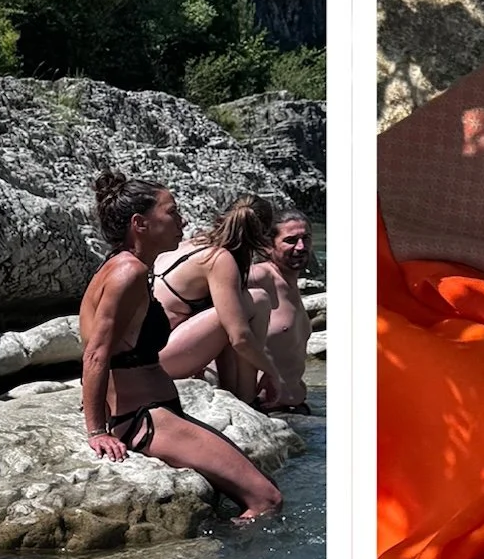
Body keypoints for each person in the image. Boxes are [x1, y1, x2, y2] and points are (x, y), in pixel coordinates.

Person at [82, 171, 283, 521]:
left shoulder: (128, 266)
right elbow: (96, 353)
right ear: (140, 223)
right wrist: (97, 431)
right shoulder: (125, 274)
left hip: (153, 411)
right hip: (142, 419)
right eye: (172, 212)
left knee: (256, 489)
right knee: (267, 500)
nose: (182, 220)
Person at [149, 193, 288, 409]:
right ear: (263, 235)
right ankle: (246, 400)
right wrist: (272, 372)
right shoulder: (218, 260)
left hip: (144, 355)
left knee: (234, 308)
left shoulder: (192, 244)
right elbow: (240, 338)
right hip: (156, 362)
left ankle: (236, 393)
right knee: (258, 300)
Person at [248, 209, 316, 413]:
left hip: (296, 407)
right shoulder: (259, 276)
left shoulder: (290, 281)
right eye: (291, 240)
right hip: (264, 410)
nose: (301, 246)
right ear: (268, 245)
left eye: (306, 238)